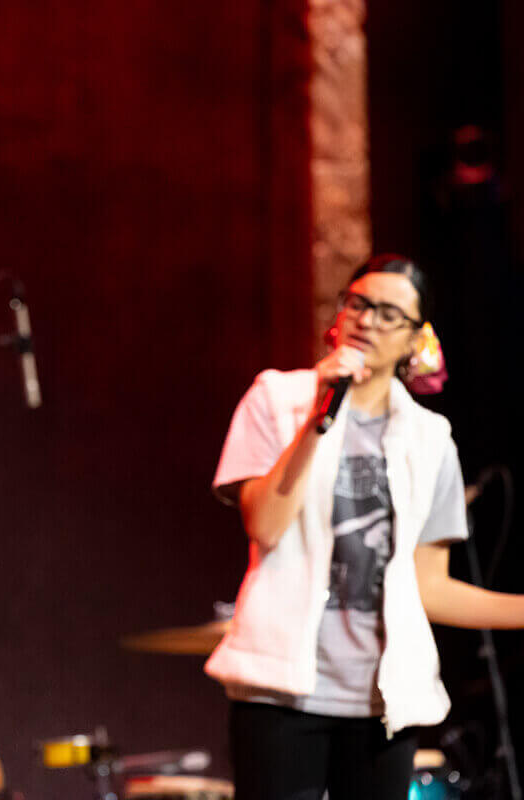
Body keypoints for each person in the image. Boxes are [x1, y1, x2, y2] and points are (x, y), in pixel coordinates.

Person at [206, 254, 524, 800]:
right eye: (359, 303)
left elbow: (428, 585)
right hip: (282, 698)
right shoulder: (276, 399)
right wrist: (319, 418)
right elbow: (265, 524)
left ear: (414, 341)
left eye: (389, 313)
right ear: (339, 313)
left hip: (385, 704)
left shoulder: (430, 439)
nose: (369, 320)